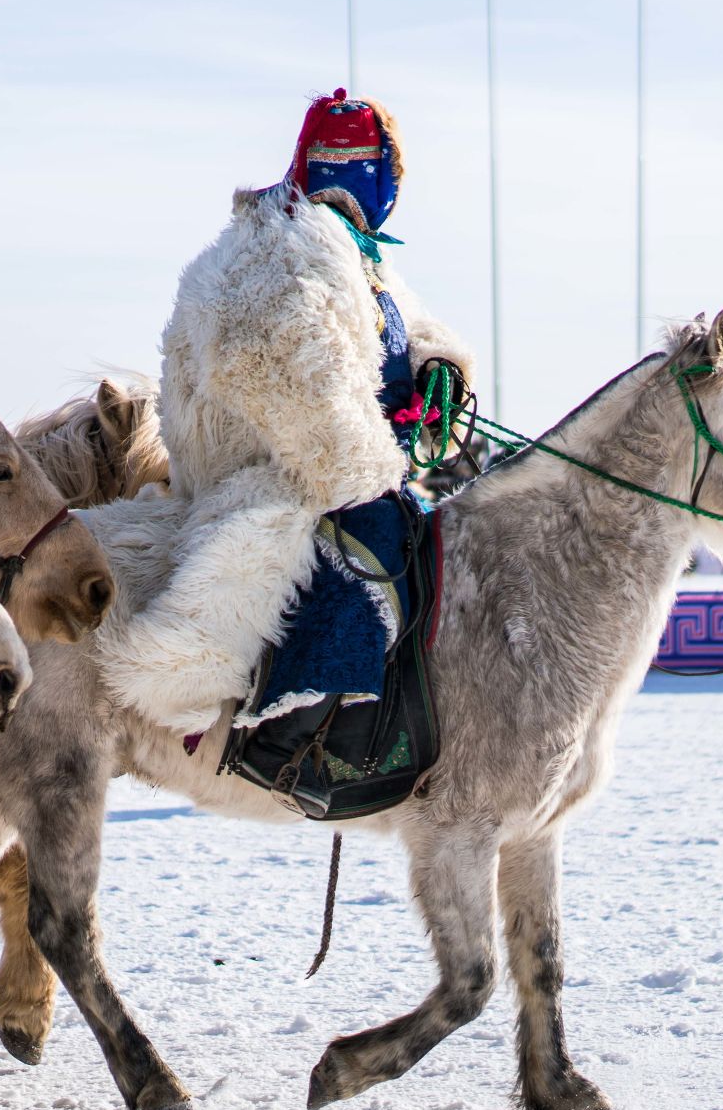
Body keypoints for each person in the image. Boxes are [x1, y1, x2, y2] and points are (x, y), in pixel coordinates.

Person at [95, 91, 472, 733]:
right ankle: (301, 730)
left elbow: (405, 326)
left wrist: (439, 366)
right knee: (375, 538)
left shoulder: (350, 251)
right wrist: (379, 465)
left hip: (334, 467)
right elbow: (287, 388)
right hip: (272, 477)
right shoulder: (282, 249)